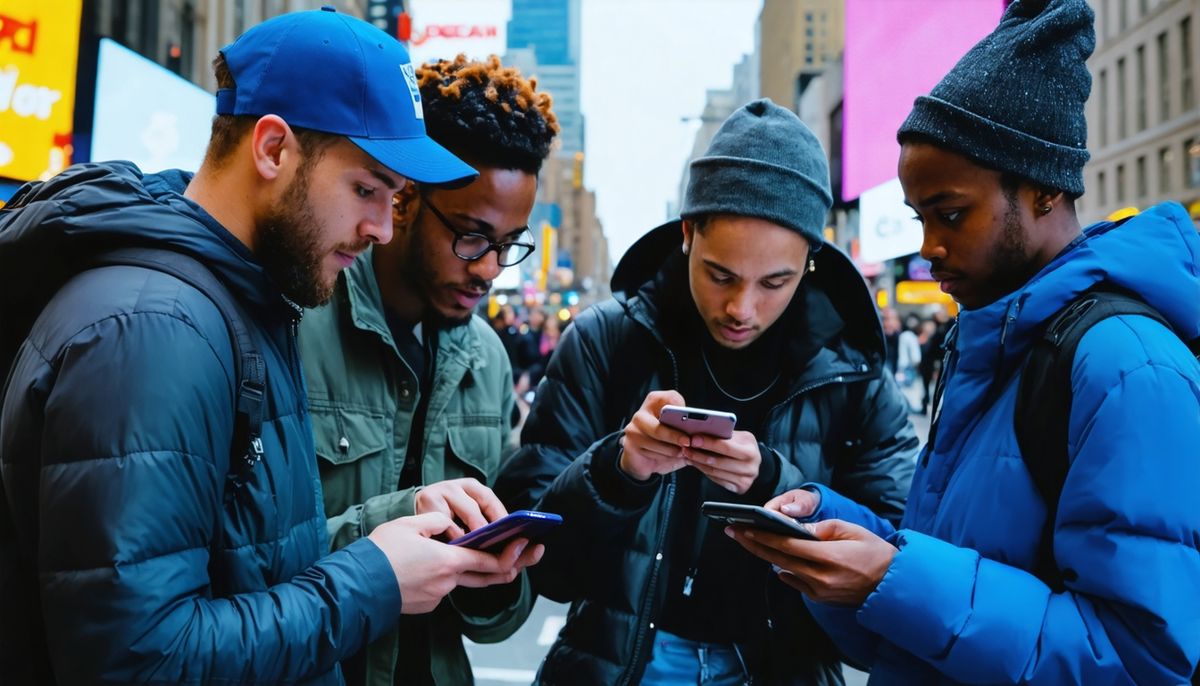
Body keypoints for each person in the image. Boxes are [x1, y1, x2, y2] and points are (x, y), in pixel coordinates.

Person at [0, 10, 536, 684]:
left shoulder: (247, 305)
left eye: (394, 197)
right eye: (366, 188)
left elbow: (253, 570)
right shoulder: (154, 331)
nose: (379, 228)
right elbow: (140, 659)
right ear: (273, 149)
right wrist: (374, 577)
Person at [728, 1, 1200, 683]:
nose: (929, 248)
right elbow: (944, 579)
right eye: (921, 219)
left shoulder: (1129, 365)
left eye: (950, 214)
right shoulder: (991, 338)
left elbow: (1144, 659)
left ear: (1042, 189)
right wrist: (833, 528)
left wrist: (892, 578)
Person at [496, 99, 919, 685]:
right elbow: (536, 561)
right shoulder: (605, 340)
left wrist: (778, 485)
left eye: (775, 282)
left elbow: (898, 565)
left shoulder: (856, 372)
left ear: (811, 259)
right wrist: (620, 469)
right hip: (620, 667)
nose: (741, 309)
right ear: (688, 232)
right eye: (721, 275)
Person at [299, 54, 559, 686]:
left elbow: (494, 622)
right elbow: (248, 559)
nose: (490, 269)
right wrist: (399, 523)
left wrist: (496, 573)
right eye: (472, 236)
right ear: (406, 196)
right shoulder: (298, 321)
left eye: (510, 244)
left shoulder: (487, 358)